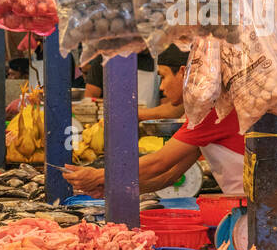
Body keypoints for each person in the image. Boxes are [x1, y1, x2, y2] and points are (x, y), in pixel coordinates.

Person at [63, 45, 244, 197]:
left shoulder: (212, 112)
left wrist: (99, 176)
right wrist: (113, 189)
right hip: (245, 202)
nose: (161, 87)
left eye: (163, 76)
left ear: (183, 73)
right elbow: (170, 175)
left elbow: (158, 164)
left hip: (255, 207)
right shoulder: (203, 111)